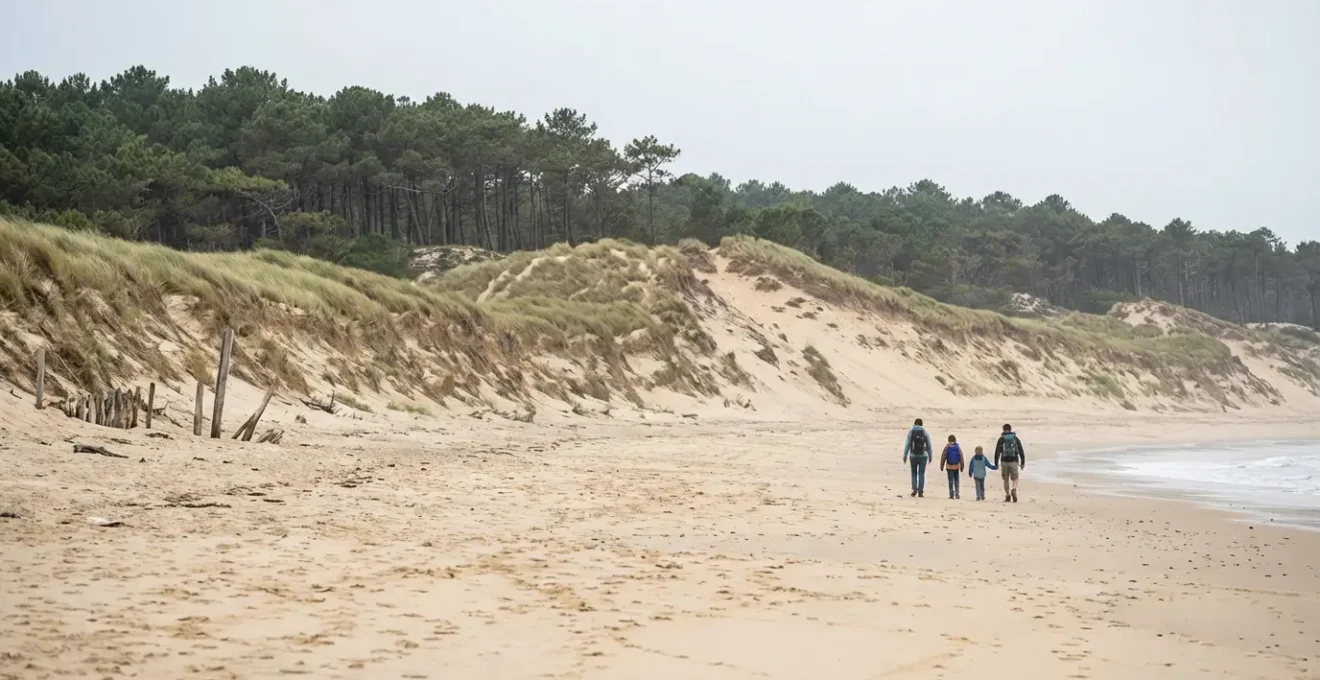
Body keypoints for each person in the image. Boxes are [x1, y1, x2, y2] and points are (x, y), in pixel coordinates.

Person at [994, 423, 1026, 502]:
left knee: (1005, 479)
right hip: (1014, 461)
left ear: (1003, 429)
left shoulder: (1001, 439)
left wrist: (996, 463)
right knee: (1015, 478)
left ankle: (1008, 495)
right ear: (1010, 429)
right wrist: (1022, 462)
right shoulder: (1015, 438)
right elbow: (1021, 451)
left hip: (1004, 461)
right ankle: (1014, 489)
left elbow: (997, 452)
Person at [902, 418, 934, 497]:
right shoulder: (925, 432)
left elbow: (907, 445)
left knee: (913, 473)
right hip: (923, 456)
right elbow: (929, 446)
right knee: (921, 473)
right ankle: (920, 491)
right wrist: (930, 456)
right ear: (921, 424)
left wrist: (905, 455)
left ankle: (914, 490)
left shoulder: (911, 432)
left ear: (914, 423)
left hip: (913, 455)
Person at [939, 434, 964, 499]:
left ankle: (951, 494)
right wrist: (962, 466)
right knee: (956, 480)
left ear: (948, 440)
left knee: (950, 480)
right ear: (955, 440)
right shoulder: (957, 447)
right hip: (956, 466)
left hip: (949, 466)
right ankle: (957, 493)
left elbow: (943, 456)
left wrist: (941, 466)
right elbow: (961, 456)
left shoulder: (947, 447)